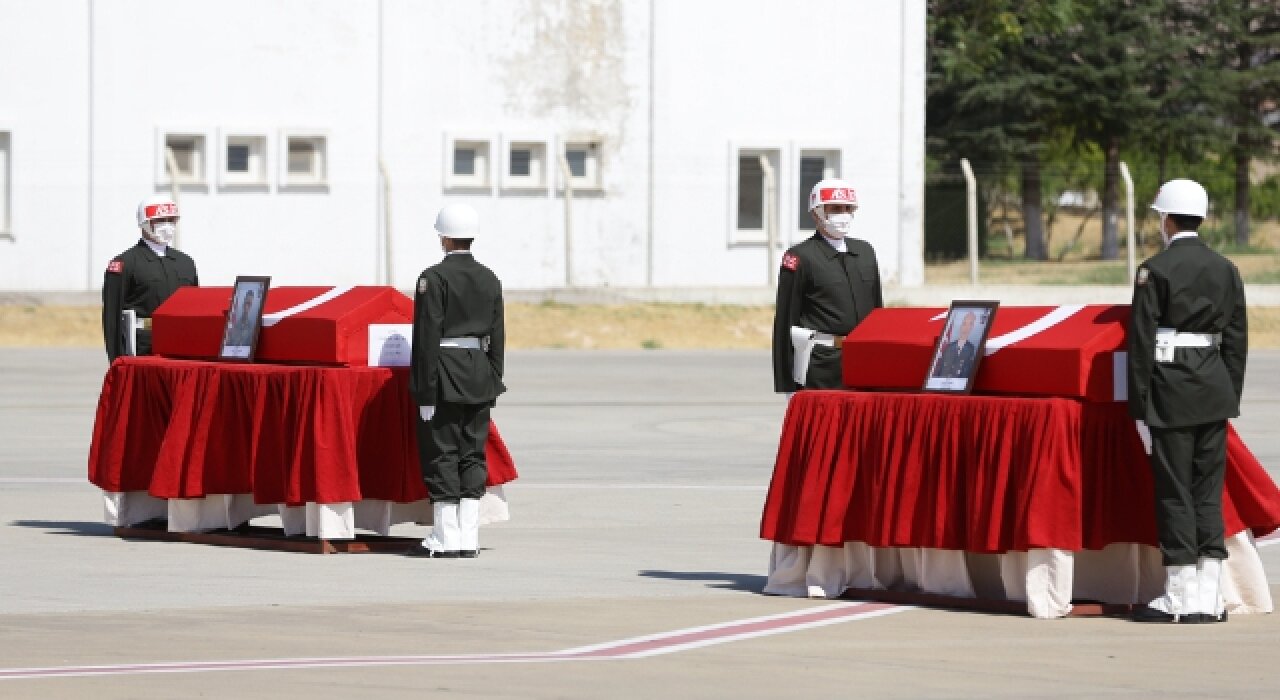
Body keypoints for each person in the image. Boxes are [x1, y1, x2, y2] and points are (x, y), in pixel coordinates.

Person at [1128, 178, 1248, 624]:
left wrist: (1140, 406)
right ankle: (1209, 596)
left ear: (1166, 219)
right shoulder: (1226, 268)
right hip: (1214, 390)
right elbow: (1236, 341)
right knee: (1206, 492)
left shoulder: (1154, 270)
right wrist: (1226, 393)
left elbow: (1140, 346)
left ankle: (1179, 596)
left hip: (1171, 392)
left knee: (1175, 491)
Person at [407, 203, 506, 559]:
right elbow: (498, 335)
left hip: (444, 374)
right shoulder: (490, 277)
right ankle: (468, 537)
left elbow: (426, 337)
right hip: (479, 372)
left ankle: (445, 537)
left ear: (444, 237)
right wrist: (494, 379)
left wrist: (424, 390)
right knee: (472, 453)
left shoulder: (433, 279)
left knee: (441, 452)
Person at [772, 178, 883, 393]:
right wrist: (787, 383)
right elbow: (786, 319)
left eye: (847, 208)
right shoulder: (799, 256)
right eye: (834, 208)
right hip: (821, 365)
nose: (842, 214)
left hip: (863, 360)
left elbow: (878, 309)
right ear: (817, 213)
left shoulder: (865, 252)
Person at [101, 195, 198, 362]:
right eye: (160, 220)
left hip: (181, 347)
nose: (167, 226)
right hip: (143, 348)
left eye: (171, 220)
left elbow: (195, 311)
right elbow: (112, 319)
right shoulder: (124, 263)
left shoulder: (186, 263)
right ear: (145, 223)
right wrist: (117, 362)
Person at [932, 311, 977, 379]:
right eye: (964, 323)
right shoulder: (950, 347)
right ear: (960, 325)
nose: (966, 328)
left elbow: (966, 371)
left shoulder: (971, 349)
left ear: (972, 327)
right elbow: (941, 368)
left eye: (970, 324)